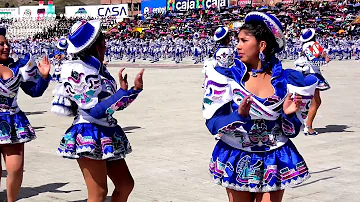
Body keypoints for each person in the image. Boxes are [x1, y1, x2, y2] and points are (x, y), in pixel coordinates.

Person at [202, 12, 318, 202]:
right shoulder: (227, 78)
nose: (237, 46)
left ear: (262, 45)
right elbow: (213, 123)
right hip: (237, 152)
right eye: (238, 41)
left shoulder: (286, 81)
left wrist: (288, 115)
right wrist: (238, 115)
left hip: (274, 156)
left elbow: (291, 131)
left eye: (244, 40)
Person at [51, 20, 144, 202]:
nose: (106, 45)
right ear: (96, 45)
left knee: (125, 184)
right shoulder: (77, 70)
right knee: (98, 193)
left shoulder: (98, 68)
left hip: (106, 131)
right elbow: (94, 111)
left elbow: (114, 106)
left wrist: (133, 91)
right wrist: (121, 94)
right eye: (103, 41)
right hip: (89, 132)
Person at [0, 28, 51, 202]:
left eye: (7, 43)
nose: (6, 47)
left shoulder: (19, 66)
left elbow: (34, 92)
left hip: (12, 121)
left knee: (15, 168)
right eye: (1, 44)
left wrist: (44, 77)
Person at [294, 28, 330, 135]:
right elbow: (314, 61)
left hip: (304, 74)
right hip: (312, 75)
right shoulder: (313, 45)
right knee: (315, 101)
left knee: (308, 101)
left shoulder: (304, 46)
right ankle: (308, 126)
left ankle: (302, 124)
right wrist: (324, 60)